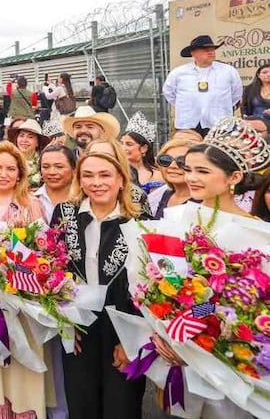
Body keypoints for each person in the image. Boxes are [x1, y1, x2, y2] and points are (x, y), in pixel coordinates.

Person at [149, 118, 269, 419]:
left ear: (234, 176)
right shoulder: (176, 219)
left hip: (226, 359)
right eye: (189, 169)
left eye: (203, 171)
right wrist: (163, 329)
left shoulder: (257, 234)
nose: (192, 177)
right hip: (177, 357)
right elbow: (161, 283)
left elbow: (241, 306)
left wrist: (189, 328)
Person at [50, 152, 144, 419]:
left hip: (122, 325)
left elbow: (146, 286)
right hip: (78, 323)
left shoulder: (138, 220)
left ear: (121, 180)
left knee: (121, 407)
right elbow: (52, 268)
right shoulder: (65, 214)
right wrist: (64, 319)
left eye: (105, 175)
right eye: (88, 175)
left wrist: (132, 338)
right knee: (81, 404)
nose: (96, 182)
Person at [0, 141, 49, 418]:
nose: (4, 174)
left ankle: (26, 409)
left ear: (20, 173)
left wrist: (14, 283)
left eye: (10, 168)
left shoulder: (32, 205)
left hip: (22, 294)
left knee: (21, 351)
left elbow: (41, 250)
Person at [33, 144, 76, 419]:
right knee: (45, 356)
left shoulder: (83, 200)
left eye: (59, 166)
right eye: (46, 166)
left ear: (73, 168)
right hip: (37, 289)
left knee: (71, 356)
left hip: (75, 289)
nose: (51, 172)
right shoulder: (30, 199)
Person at [162, 35, 242, 135]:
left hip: (219, 123)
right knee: (189, 150)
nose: (211, 52)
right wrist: (188, 105)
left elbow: (236, 94)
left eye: (212, 49)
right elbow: (169, 93)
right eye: (205, 49)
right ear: (193, 53)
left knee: (217, 150)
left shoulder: (228, 71)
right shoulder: (178, 73)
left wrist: (219, 106)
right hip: (188, 124)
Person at [146, 138, 194, 219]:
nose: (172, 166)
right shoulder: (167, 194)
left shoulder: (204, 202)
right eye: (166, 160)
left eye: (181, 161)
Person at [119, 112, 162, 191]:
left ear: (144, 148)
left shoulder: (158, 175)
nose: (123, 148)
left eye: (129, 144)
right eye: (121, 143)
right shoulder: (116, 171)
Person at [8, 118, 50, 189]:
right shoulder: (8, 158)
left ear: (37, 142)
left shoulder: (45, 160)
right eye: (21, 135)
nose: (24, 140)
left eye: (30, 137)